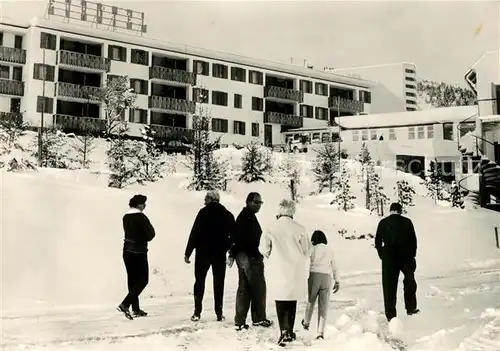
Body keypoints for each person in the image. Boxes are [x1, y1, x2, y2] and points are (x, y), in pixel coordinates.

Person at [259, 199, 311, 346]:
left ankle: (283, 329)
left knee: (280, 298)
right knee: (291, 298)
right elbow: (307, 250)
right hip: (295, 269)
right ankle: (290, 330)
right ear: (292, 211)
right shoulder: (300, 228)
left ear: (279, 211)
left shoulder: (271, 227)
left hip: (278, 267)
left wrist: (271, 255)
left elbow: (263, 248)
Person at [184, 190, 235, 322]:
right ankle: (219, 313)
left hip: (202, 253)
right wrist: (229, 249)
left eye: (205, 199)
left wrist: (188, 252)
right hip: (219, 254)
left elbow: (194, 232)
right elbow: (233, 235)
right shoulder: (227, 214)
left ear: (210, 199)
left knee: (199, 282)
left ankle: (197, 312)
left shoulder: (203, 213)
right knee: (219, 283)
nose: (204, 201)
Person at [227, 192, 272, 330]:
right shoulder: (246, 218)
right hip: (250, 258)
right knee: (258, 288)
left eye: (260, 203)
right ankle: (258, 318)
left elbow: (235, 238)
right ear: (249, 202)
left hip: (244, 257)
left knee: (244, 289)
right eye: (257, 202)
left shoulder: (246, 217)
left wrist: (233, 254)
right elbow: (238, 238)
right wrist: (234, 253)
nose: (259, 205)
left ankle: (240, 321)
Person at [375, 202, 419, 322]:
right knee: (410, 281)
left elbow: (378, 241)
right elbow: (413, 241)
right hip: (405, 257)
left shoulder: (383, 222)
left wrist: (382, 254)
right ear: (400, 210)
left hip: (389, 258)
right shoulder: (407, 222)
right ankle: (410, 307)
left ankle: (390, 314)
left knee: (389, 286)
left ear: (390, 211)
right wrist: (412, 256)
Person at [117, 194, 156, 320]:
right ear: (138, 204)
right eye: (143, 203)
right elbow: (151, 234)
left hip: (127, 250)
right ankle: (125, 304)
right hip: (139, 251)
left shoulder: (126, 217)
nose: (145, 205)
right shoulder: (142, 217)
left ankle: (135, 308)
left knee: (132, 280)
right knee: (143, 279)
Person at [301, 230, 340, 340]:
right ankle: (320, 333)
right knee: (323, 306)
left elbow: (305, 261)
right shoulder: (330, 250)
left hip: (314, 276)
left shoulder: (312, 248)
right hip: (327, 277)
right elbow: (335, 266)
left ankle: (306, 323)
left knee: (311, 301)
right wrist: (337, 281)